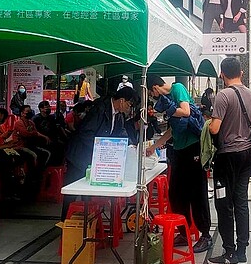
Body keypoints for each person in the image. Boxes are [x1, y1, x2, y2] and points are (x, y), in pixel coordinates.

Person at [146, 75, 212, 254]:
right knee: (176, 192)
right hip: (180, 150)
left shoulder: (177, 89)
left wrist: (168, 109)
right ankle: (184, 232)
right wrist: (155, 146)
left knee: (197, 192)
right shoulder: (169, 98)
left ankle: (205, 234)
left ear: (155, 88)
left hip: (193, 148)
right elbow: (173, 129)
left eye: (153, 94)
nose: (155, 98)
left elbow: (186, 112)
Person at [207, 57, 251, 264]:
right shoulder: (250, 94)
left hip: (227, 157)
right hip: (246, 154)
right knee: (241, 202)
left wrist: (209, 123)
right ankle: (242, 252)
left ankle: (229, 253)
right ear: (241, 73)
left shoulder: (223, 95)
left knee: (223, 202)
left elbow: (215, 129)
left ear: (222, 74)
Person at [62, 86, 135, 219]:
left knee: (88, 193)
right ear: (122, 101)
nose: (129, 109)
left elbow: (120, 132)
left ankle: (85, 222)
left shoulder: (119, 115)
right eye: (129, 105)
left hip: (93, 157)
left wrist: (130, 145)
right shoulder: (100, 108)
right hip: (79, 154)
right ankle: (65, 223)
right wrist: (100, 149)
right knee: (71, 192)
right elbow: (85, 132)